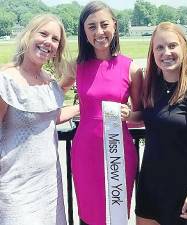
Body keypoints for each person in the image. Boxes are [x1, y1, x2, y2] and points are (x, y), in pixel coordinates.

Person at [60, 1, 143, 224]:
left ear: (114, 26)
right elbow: (53, 101)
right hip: (85, 153)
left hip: (119, 152)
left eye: (104, 24)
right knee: (89, 215)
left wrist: (128, 115)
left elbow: (142, 115)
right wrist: (80, 109)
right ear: (84, 32)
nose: (99, 32)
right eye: (92, 27)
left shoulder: (131, 67)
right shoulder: (74, 66)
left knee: (116, 216)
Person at [0, 14, 79, 225]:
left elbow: (50, 118)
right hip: (14, 188)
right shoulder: (6, 80)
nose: (48, 42)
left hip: (49, 186)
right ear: (28, 35)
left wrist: (87, 107)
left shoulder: (51, 83)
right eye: (43, 34)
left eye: (55, 40)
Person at [135, 22, 187, 225]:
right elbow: (153, 119)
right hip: (150, 189)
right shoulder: (151, 86)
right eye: (159, 47)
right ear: (153, 53)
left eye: (172, 45)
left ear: (184, 47)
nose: (166, 52)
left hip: (185, 195)